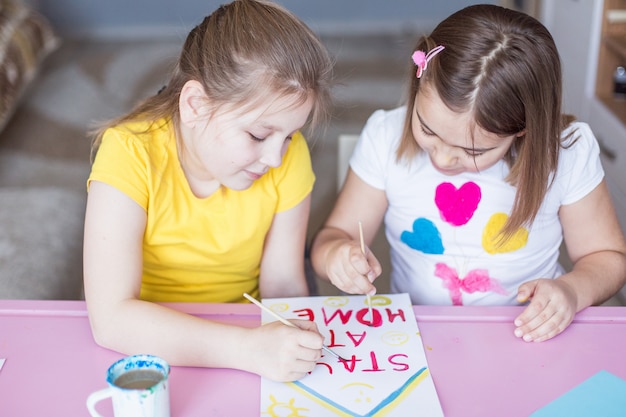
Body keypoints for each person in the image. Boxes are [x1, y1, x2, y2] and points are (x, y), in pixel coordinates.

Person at [310, 4, 626, 343]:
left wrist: (572, 292)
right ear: (419, 87)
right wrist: (336, 257)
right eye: (427, 130)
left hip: (527, 335)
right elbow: (334, 235)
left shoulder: (567, 152)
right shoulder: (385, 136)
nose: (444, 160)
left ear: (523, 129)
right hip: (419, 336)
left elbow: (607, 258)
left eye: (473, 151)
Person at [83, 0, 333, 382]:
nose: (276, 158)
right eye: (259, 134)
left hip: (250, 332)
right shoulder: (128, 152)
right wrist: (246, 349)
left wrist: (293, 337)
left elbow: (282, 283)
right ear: (196, 105)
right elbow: (111, 319)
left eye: (291, 135)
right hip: (152, 340)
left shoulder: (288, 155)